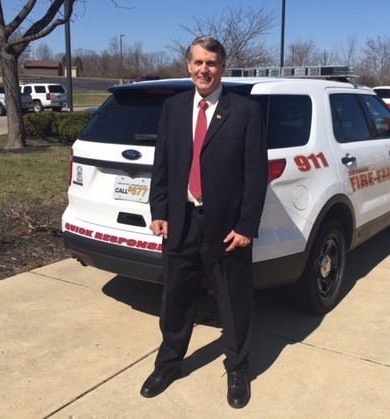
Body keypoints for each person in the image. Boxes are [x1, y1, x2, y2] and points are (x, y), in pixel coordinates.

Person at [140, 36, 268, 409]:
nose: (203, 70)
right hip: (181, 222)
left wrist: (246, 226)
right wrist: (159, 211)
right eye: (197, 63)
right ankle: (168, 365)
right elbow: (161, 165)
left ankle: (239, 368)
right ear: (188, 66)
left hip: (227, 228)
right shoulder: (173, 108)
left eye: (211, 63)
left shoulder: (245, 112)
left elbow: (255, 175)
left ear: (222, 66)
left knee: (234, 302)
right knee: (175, 300)